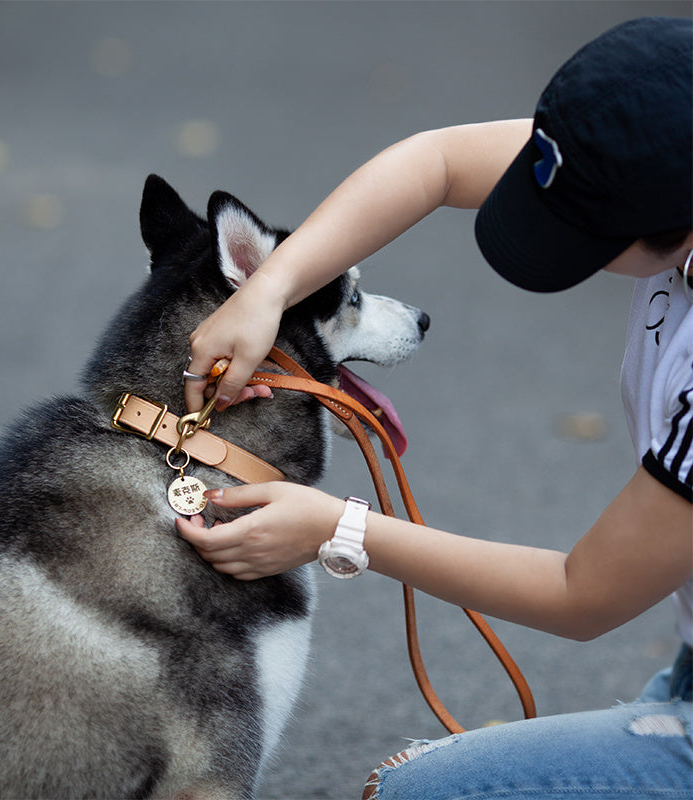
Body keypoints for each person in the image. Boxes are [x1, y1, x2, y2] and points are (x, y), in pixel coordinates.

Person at [177, 17, 693, 799]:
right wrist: (270, 288)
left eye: (581, 237)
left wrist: (336, 529)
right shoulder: (663, 131)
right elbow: (438, 160)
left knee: (417, 791)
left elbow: (584, 594)